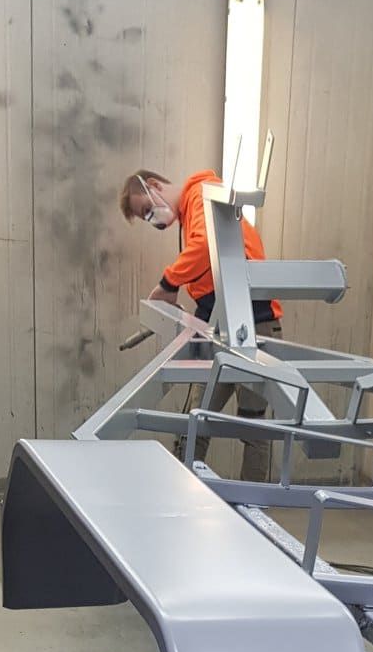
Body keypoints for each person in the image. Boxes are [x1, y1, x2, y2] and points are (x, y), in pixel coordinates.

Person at [119, 166, 282, 482]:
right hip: (220, 320)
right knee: (197, 415)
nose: (152, 219)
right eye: (145, 217)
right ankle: (184, 491)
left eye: (147, 210)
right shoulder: (193, 208)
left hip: (252, 320)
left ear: (153, 184)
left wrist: (168, 283)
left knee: (253, 423)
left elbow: (206, 246)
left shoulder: (204, 192)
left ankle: (253, 509)